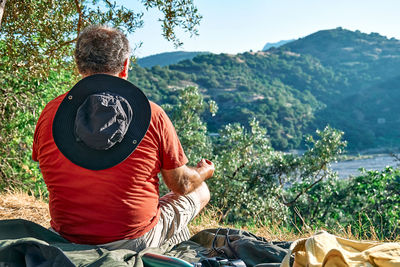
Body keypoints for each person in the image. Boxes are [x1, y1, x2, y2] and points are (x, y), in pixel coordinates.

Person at [32, 24, 215, 251]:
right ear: (125, 65)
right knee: (200, 190)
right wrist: (204, 172)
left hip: (66, 239)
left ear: (78, 65)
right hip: (134, 240)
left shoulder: (51, 113)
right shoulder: (152, 115)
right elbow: (182, 184)